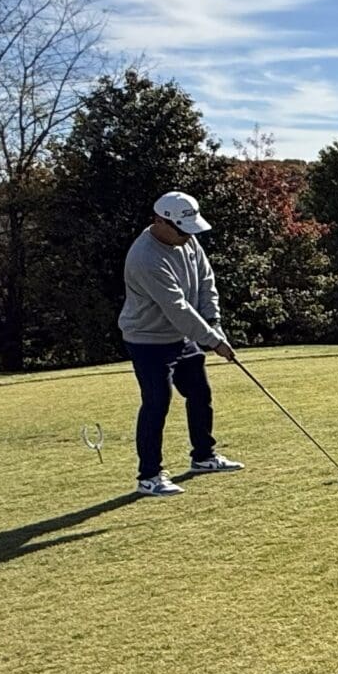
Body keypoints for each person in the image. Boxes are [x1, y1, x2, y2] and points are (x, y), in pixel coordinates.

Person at [120, 190, 244, 497]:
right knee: (157, 401)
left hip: (182, 335)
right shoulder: (145, 258)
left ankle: (203, 457)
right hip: (147, 339)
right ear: (160, 222)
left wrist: (213, 321)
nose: (188, 237)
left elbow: (205, 281)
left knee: (199, 392)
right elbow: (176, 306)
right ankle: (149, 476)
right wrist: (214, 341)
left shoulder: (186, 238)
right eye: (182, 231)